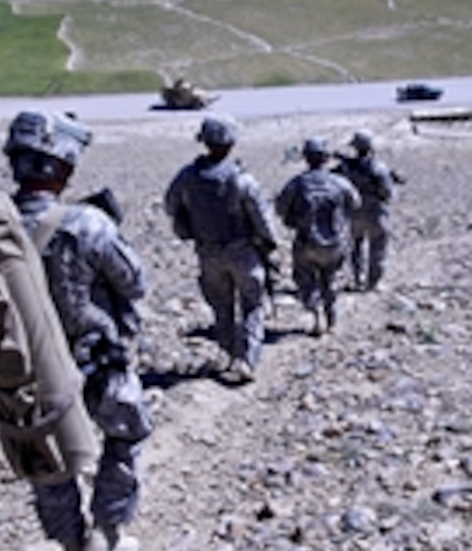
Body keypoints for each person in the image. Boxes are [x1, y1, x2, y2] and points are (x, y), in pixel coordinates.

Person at [4, 110, 152, 551]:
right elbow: (135, 282)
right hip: (95, 362)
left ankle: (70, 550)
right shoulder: (86, 223)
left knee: (48, 460)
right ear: (62, 166)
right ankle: (107, 534)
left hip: (26, 371)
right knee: (125, 434)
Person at [163, 114, 279, 385]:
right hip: (243, 252)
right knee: (252, 305)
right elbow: (260, 215)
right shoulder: (241, 179)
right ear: (231, 144)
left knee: (221, 306)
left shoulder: (188, 176)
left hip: (208, 252)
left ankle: (227, 353)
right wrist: (270, 242)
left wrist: (187, 227)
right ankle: (246, 360)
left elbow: (171, 204)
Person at [275, 137, 361, 336]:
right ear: (327, 158)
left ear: (306, 158)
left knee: (305, 279)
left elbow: (280, 209)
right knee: (330, 280)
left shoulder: (297, 183)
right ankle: (332, 317)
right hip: (335, 242)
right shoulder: (340, 182)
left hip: (307, 242)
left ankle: (316, 315)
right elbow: (355, 203)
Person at [333, 129, 396, 291]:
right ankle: (372, 283)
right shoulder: (379, 167)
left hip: (355, 213)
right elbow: (387, 193)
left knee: (356, 247)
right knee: (378, 248)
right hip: (376, 213)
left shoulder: (345, 167)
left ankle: (358, 279)